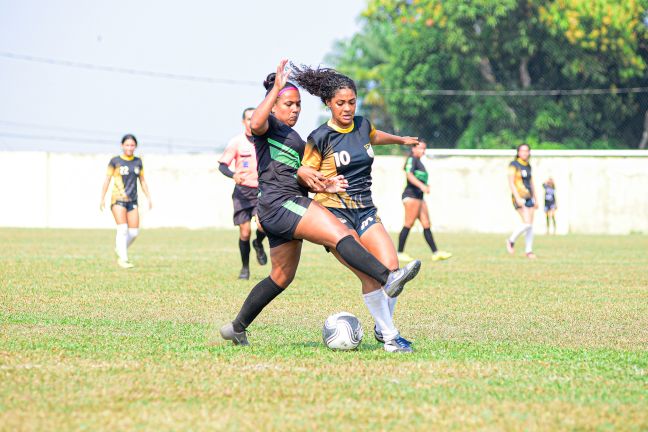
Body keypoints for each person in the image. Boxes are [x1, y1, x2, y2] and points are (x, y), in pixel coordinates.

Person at [220, 60, 421, 352]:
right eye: (288, 103)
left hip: (282, 207)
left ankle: (236, 327)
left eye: (298, 104)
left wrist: (324, 184)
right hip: (283, 203)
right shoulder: (269, 127)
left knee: (280, 277)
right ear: (273, 105)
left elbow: (304, 174)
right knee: (339, 233)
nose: (295, 109)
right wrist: (275, 90)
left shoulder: (297, 138)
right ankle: (387, 277)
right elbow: (254, 123)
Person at [292, 64, 421, 352]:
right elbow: (305, 175)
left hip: (365, 210)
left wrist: (400, 140)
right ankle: (391, 338)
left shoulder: (362, 124)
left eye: (352, 102)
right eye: (341, 103)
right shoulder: (320, 137)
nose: (347, 108)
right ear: (329, 104)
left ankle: (380, 324)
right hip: (334, 216)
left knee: (392, 271)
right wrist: (324, 184)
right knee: (369, 276)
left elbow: (374, 136)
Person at [219, 107, 268, 280]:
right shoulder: (236, 142)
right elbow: (222, 165)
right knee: (245, 232)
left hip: (262, 191)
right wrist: (234, 175)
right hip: (242, 191)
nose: (251, 121)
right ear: (243, 121)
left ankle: (259, 243)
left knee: (264, 226)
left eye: (254, 118)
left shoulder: (265, 141)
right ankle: (245, 268)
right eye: (248, 119)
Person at [99, 134, 152, 268]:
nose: (129, 147)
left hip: (133, 200)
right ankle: (123, 259)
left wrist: (149, 197)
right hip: (118, 199)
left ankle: (120, 249)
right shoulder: (115, 161)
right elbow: (107, 180)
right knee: (122, 228)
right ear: (122, 146)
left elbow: (142, 181)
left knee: (133, 232)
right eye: (127, 145)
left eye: (132, 145)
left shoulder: (138, 162)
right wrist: (102, 198)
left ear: (136, 146)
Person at [396, 141, 452, 263]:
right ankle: (399, 253)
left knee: (426, 224)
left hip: (419, 197)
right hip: (411, 196)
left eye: (424, 149)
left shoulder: (419, 161)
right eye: (421, 148)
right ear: (413, 149)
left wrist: (425, 186)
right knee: (408, 223)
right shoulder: (412, 159)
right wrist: (422, 186)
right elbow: (409, 175)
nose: (423, 151)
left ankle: (436, 253)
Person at [506, 143, 537, 259]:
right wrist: (517, 198)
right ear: (518, 152)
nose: (525, 153)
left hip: (529, 197)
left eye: (527, 151)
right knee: (527, 223)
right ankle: (511, 240)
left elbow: (531, 183)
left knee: (530, 225)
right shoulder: (513, 165)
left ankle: (529, 251)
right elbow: (511, 183)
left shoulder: (528, 166)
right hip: (519, 196)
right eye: (522, 151)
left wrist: (536, 199)